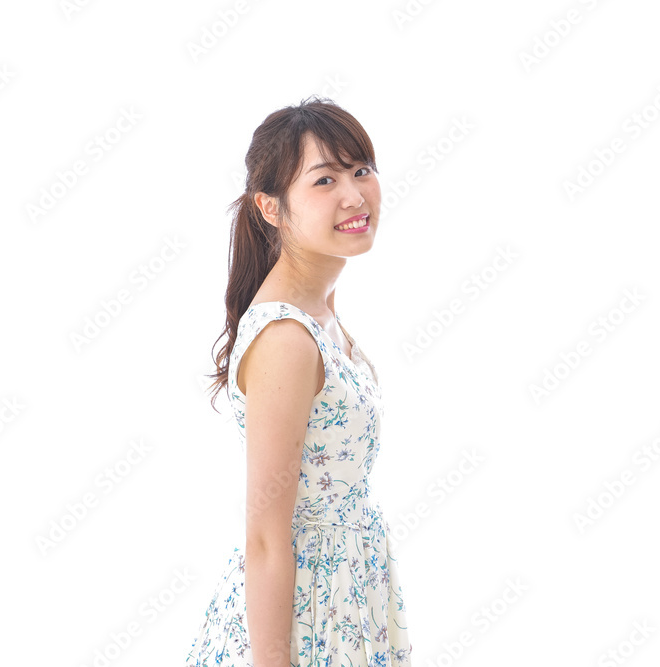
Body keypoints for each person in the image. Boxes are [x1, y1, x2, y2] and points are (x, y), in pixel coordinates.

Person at [185, 96, 413, 667]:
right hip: (306, 618)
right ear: (270, 207)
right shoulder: (287, 337)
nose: (354, 196)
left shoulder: (320, 311)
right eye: (325, 180)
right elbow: (265, 536)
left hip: (345, 599)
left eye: (361, 170)